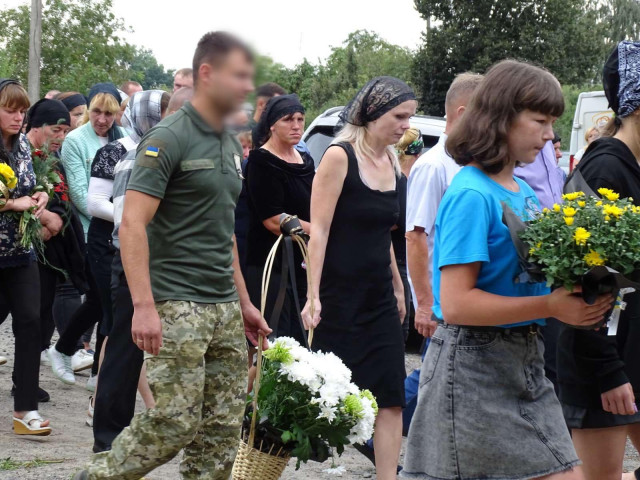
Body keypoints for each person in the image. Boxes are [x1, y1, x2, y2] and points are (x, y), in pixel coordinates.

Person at [400, 60, 614, 480]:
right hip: (474, 366)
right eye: (540, 121)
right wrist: (550, 306)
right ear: (501, 118)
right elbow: (456, 305)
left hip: (523, 358)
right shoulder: (471, 194)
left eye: (552, 122)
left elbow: (525, 278)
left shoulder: (522, 191)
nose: (550, 134)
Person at [74, 31, 271, 480]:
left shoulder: (226, 142)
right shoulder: (166, 138)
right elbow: (132, 224)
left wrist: (244, 303)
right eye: (238, 76)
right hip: (176, 301)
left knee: (221, 429)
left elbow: (225, 232)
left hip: (222, 304)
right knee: (173, 423)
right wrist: (143, 307)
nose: (247, 86)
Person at [302, 76, 414, 480]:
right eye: (399, 116)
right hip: (338, 295)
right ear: (372, 113)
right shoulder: (339, 156)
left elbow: (384, 235)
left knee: (391, 396)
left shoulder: (393, 164)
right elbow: (319, 231)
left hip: (378, 297)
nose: (406, 126)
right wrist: (313, 295)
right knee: (317, 396)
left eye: (409, 117)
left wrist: (398, 287)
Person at [559, 41, 640, 480]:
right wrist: (607, 371)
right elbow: (586, 280)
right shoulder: (605, 170)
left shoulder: (632, 166)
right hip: (604, 364)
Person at [402, 73, 482, 437]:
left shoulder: (465, 163)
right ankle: (371, 428)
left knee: (440, 376)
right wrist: (424, 304)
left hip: (458, 295)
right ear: (463, 112)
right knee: (432, 376)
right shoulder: (434, 165)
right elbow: (416, 237)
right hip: (440, 298)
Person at [89, 89, 169, 444]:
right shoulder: (133, 157)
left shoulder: (168, 154)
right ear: (146, 119)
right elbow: (125, 219)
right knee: (125, 349)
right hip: (133, 262)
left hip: (165, 264)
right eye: (163, 116)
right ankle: (108, 438)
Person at [48, 83, 126, 387]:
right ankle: (95, 371)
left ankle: (68, 352)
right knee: (106, 301)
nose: (102, 119)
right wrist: (124, 216)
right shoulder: (76, 140)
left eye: (109, 113)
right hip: (87, 231)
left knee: (99, 300)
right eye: (97, 112)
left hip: (116, 232)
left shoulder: (122, 137)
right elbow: (81, 195)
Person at [22, 99, 87, 404]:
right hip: (15, 249)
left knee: (41, 317)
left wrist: (55, 219)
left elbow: (62, 198)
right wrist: (46, 217)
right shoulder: (16, 154)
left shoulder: (54, 161)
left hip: (49, 253)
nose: (61, 137)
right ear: (37, 126)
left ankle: (25, 383)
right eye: (56, 130)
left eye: (65, 131)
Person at [0, 79, 51, 435]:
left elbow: (30, 183)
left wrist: (41, 194)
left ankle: (25, 409)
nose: (19, 118)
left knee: (31, 322)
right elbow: (11, 198)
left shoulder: (21, 145)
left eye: (22, 111)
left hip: (21, 250)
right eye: (10, 110)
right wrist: (12, 204)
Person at [245, 94, 314, 345]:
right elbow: (273, 219)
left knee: (305, 338)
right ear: (272, 124)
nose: (296, 126)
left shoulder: (305, 160)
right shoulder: (261, 161)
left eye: (300, 119)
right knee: (275, 342)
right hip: (272, 265)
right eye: (288, 120)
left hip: (303, 261)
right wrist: (319, 232)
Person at [393, 127, 423, 341]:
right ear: (418, 154)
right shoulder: (399, 182)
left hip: (401, 259)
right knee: (399, 325)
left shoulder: (398, 180)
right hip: (397, 260)